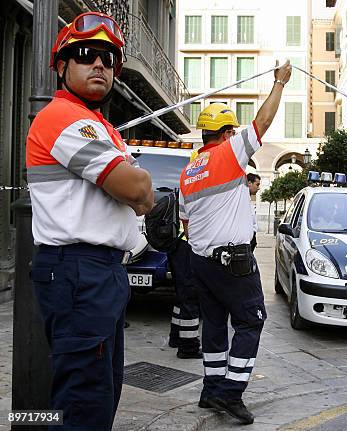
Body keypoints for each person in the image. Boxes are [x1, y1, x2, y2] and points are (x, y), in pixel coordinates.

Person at [26, 12, 154, 429]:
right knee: (85, 405)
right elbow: (137, 191)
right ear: (62, 67)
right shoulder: (64, 119)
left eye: (108, 58)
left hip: (95, 272)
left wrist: (137, 189)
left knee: (97, 393)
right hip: (80, 271)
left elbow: (136, 193)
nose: (99, 64)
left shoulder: (99, 126)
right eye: (84, 55)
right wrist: (138, 187)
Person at [178, 61, 292, 424]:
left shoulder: (188, 172)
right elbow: (262, 122)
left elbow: (186, 220)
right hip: (233, 262)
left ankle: (211, 390)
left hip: (201, 261)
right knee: (250, 321)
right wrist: (279, 83)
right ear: (226, 135)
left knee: (214, 327)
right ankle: (230, 393)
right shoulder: (228, 155)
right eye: (233, 132)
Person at [168, 234, 202, 359]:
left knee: (182, 294)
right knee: (190, 294)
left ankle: (176, 337)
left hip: (177, 243)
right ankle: (189, 346)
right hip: (187, 243)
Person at [247, 173, 261, 251]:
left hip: (251, 239)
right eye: (257, 185)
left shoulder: (248, 199)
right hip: (247, 241)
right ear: (249, 183)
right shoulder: (243, 200)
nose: (258, 188)